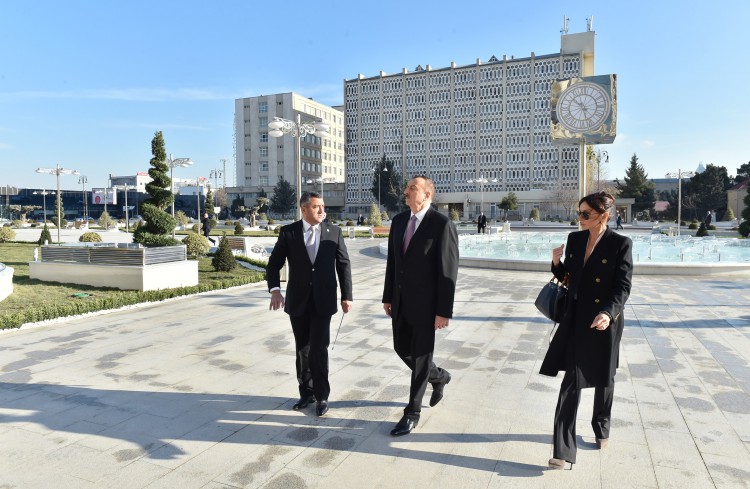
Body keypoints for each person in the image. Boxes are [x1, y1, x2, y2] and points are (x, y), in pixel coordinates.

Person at [540, 191, 633, 470]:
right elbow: (570, 278)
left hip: (604, 319)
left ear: (603, 216)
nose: (579, 219)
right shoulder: (575, 239)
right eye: (578, 213)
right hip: (576, 318)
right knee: (571, 380)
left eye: (585, 214)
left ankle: (601, 425)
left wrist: (608, 312)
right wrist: (557, 264)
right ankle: (562, 450)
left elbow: (623, 287)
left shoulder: (620, 244)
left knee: (605, 376)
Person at [382, 176, 459, 436]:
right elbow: (393, 263)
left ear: (427, 195)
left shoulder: (441, 224)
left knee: (421, 356)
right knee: (401, 348)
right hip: (401, 302)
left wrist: (443, 311)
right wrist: (388, 296)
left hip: (427, 307)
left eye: (412, 188)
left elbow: (448, 270)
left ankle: (412, 412)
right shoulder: (400, 221)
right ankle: (439, 377)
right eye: (407, 188)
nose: (405, 192)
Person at [266, 192, 353, 417]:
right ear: (304, 210)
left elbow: (343, 265)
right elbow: (274, 264)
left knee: (319, 348)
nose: (322, 211)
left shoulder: (334, 232)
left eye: (323, 207)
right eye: (316, 207)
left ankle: (322, 396)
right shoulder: (289, 233)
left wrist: (347, 296)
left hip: (324, 301)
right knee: (302, 349)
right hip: (298, 300)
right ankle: (306, 393)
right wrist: (275, 290)